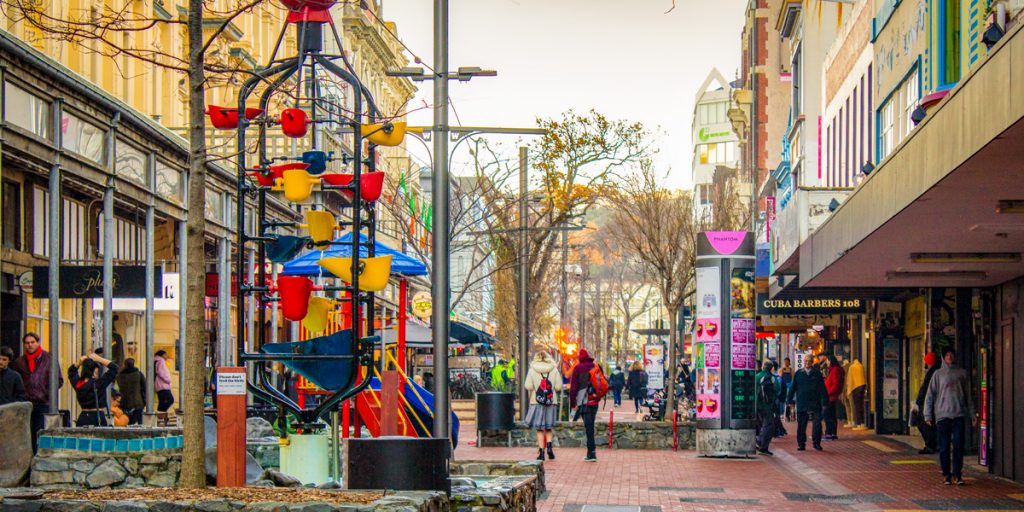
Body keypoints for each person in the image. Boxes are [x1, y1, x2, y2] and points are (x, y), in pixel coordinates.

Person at [924, 347, 976, 486]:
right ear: (943, 357)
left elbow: (968, 395)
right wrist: (927, 414)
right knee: (944, 446)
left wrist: (972, 414)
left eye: (951, 354)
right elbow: (930, 395)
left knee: (958, 445)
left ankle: (957, 474)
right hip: (942, 416)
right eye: (947, 355)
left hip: (958, 414)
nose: (949, 357)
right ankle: (946, 474)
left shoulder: (962, 373)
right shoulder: (938, 374)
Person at [13, 333, 63, 451]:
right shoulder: (19, 362)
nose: (30, 345)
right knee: (26, 435)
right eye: (27, 343)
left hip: (43, 404)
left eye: (32, 342)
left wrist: (46, 393)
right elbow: (16, 383)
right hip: (26, 404)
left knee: (41, 434)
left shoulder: (49, 359)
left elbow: (59, 380)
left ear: (38, 342)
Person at [523, 351, 563, 460]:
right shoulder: (554, 369)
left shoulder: (532, 369)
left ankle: (541, 453)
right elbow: (559, 387)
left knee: (539, 428)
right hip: (551, 400)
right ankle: (550, 448)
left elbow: (528, 386)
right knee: (548, 426)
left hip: (537, 401)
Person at [788, 354, 828, 451]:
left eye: (809, 361)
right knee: (801, 424)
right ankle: (801, 444)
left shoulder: (817, 374)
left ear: (812, 362)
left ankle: (816, 443)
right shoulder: (798, 373)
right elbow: (793, 388)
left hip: (815, 402)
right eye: (805, 361)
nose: (807, 362)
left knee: (817, 424)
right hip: (802, 402)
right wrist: (789, 400)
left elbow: (822, 388)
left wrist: (825, 401)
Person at [68, 352, 119, 426]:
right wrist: (99, 359)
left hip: (83, 417)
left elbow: (71, 372)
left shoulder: (78, 384)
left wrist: (79, 362)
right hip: (97, 418)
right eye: (96, 373)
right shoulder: (99, 383)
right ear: (94, 373)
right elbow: (114, 368)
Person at [569, 349, 599, 462]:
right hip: (594, 400)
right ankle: (591, 452)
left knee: (589, 427)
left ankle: (592, 453)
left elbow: (573, 388)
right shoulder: (594, 366)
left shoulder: (578, 368)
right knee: (590, 426)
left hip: (584, 401)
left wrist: (573, 403)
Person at [913, 351, 940, 454]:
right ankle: (934, 444)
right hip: (933, 402)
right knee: (930, 424)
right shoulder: (936, 371)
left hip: (928, 402)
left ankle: (930, 444)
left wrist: (918, 402)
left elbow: (925, 389)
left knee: (923, 422)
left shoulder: (931, 373)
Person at [755, 361, 779, 455]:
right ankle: (762, 444)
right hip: (768, 405)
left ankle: (761, 443)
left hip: (757, 404)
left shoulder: (756, 376)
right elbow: (777, 388)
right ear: (771, 368)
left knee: (761, 424)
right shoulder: (772, 378)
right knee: (768, 425)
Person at [115, 358, 146, 425]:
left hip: (124, 401)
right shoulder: (138, 374)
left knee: (127, 420)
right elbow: (144, 386)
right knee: (139, 420)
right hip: (138, 401)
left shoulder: (119, 376)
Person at [823, 354, 845, 440]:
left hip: (830, 397)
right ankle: (832, 433)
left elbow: (836, 384)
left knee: (827, 415)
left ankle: (829, 433)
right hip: (830, 396)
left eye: (827, 360)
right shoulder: (833, 370)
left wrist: (828, 393)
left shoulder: (835, 370)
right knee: (831, 415)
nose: (826, 362)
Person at [154, 350, 174, 419]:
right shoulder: (161, 361)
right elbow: (161, 372)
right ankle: (161, 414)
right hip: (163, 385)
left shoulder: (156, 361)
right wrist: (168, 379)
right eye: (166, 354)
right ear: (162, 355)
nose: (167, 356)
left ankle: (161, 416)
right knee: (170, 400)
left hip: (158, 385)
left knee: (161, 401)